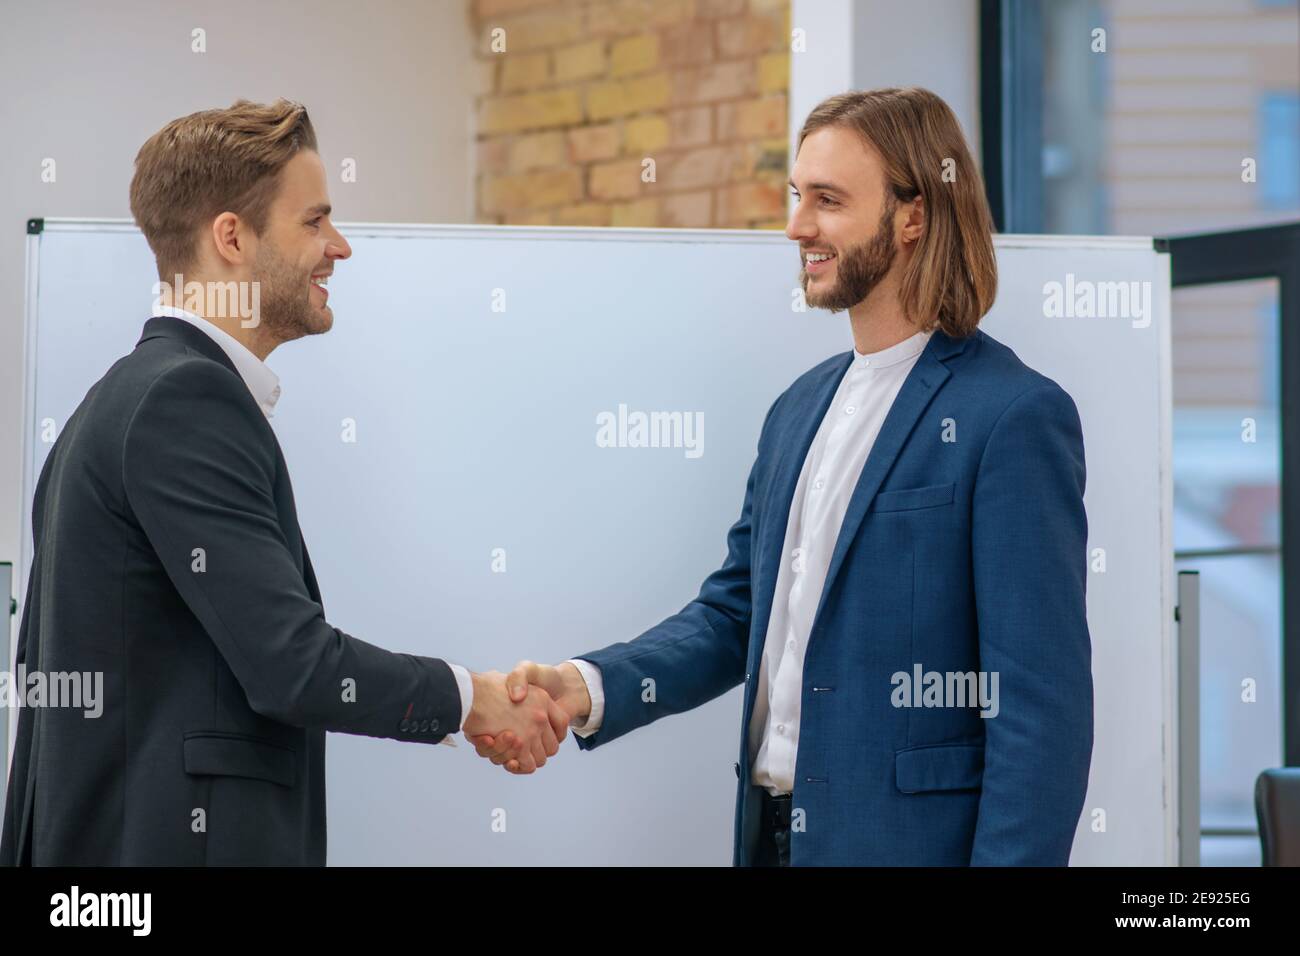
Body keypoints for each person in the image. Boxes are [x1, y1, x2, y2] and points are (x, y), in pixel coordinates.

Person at [470, 88, 1095, 867]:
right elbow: (736, 616)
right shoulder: (797, 410)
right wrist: (582, 687)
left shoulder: (1012, 416)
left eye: (828, 201)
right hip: (769, 841)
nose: (798, 226)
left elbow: (1040, 713)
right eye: (798, 197)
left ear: (914, 215)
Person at [0, 99, 567, 866]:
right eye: (314, 222)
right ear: (232, 237)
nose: (339, 247)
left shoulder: (119, 402)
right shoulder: (183, 402)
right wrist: (470, 699)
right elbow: (294, 668)